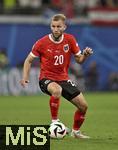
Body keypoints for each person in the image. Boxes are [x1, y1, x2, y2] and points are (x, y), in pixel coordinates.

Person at [20, 14, 93, 139]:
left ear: (64, 27)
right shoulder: (41, 42)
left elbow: (79, 60)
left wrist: (85, 55)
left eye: (59, 26)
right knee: (57, 90)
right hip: (46, 78)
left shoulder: (70, 40)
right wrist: (25, 77)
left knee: (83, 106)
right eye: (53, 26)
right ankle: (55, 122)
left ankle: (76, 132)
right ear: (50, 26)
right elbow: (28, 60)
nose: (56, 29)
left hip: (63, 79)